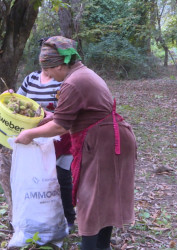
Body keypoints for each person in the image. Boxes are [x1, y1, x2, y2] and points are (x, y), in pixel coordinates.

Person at [15, 36, 137, 250]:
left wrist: (30, 134)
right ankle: (101, 246)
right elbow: (68, 115)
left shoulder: (73, 82)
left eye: (49, 70)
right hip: (107, 138)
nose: (49, 75)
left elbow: (61, 126)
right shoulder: (81, 74)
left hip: (106, 142)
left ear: (61, 65)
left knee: (90, 198)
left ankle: (90, 247)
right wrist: (46, 118)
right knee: (102, 197)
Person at [17, 65, 76, 229]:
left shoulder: (63, 79)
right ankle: (40, 215)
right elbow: (19, 102)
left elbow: (68, 112)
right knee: (38, 178)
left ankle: (68, 217)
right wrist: (11, 97)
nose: (44, 61)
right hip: (36, 137)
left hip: (61, 136)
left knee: (62, 178)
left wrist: (52, 116)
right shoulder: (31, 78)